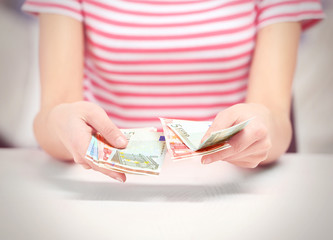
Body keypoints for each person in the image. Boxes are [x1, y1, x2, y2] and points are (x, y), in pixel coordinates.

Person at [22, 0, 323, 182]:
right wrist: (63, 125)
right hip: (106, 187)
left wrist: (260, 129)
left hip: (231, 189)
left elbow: (276, 121)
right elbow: (53, 114)